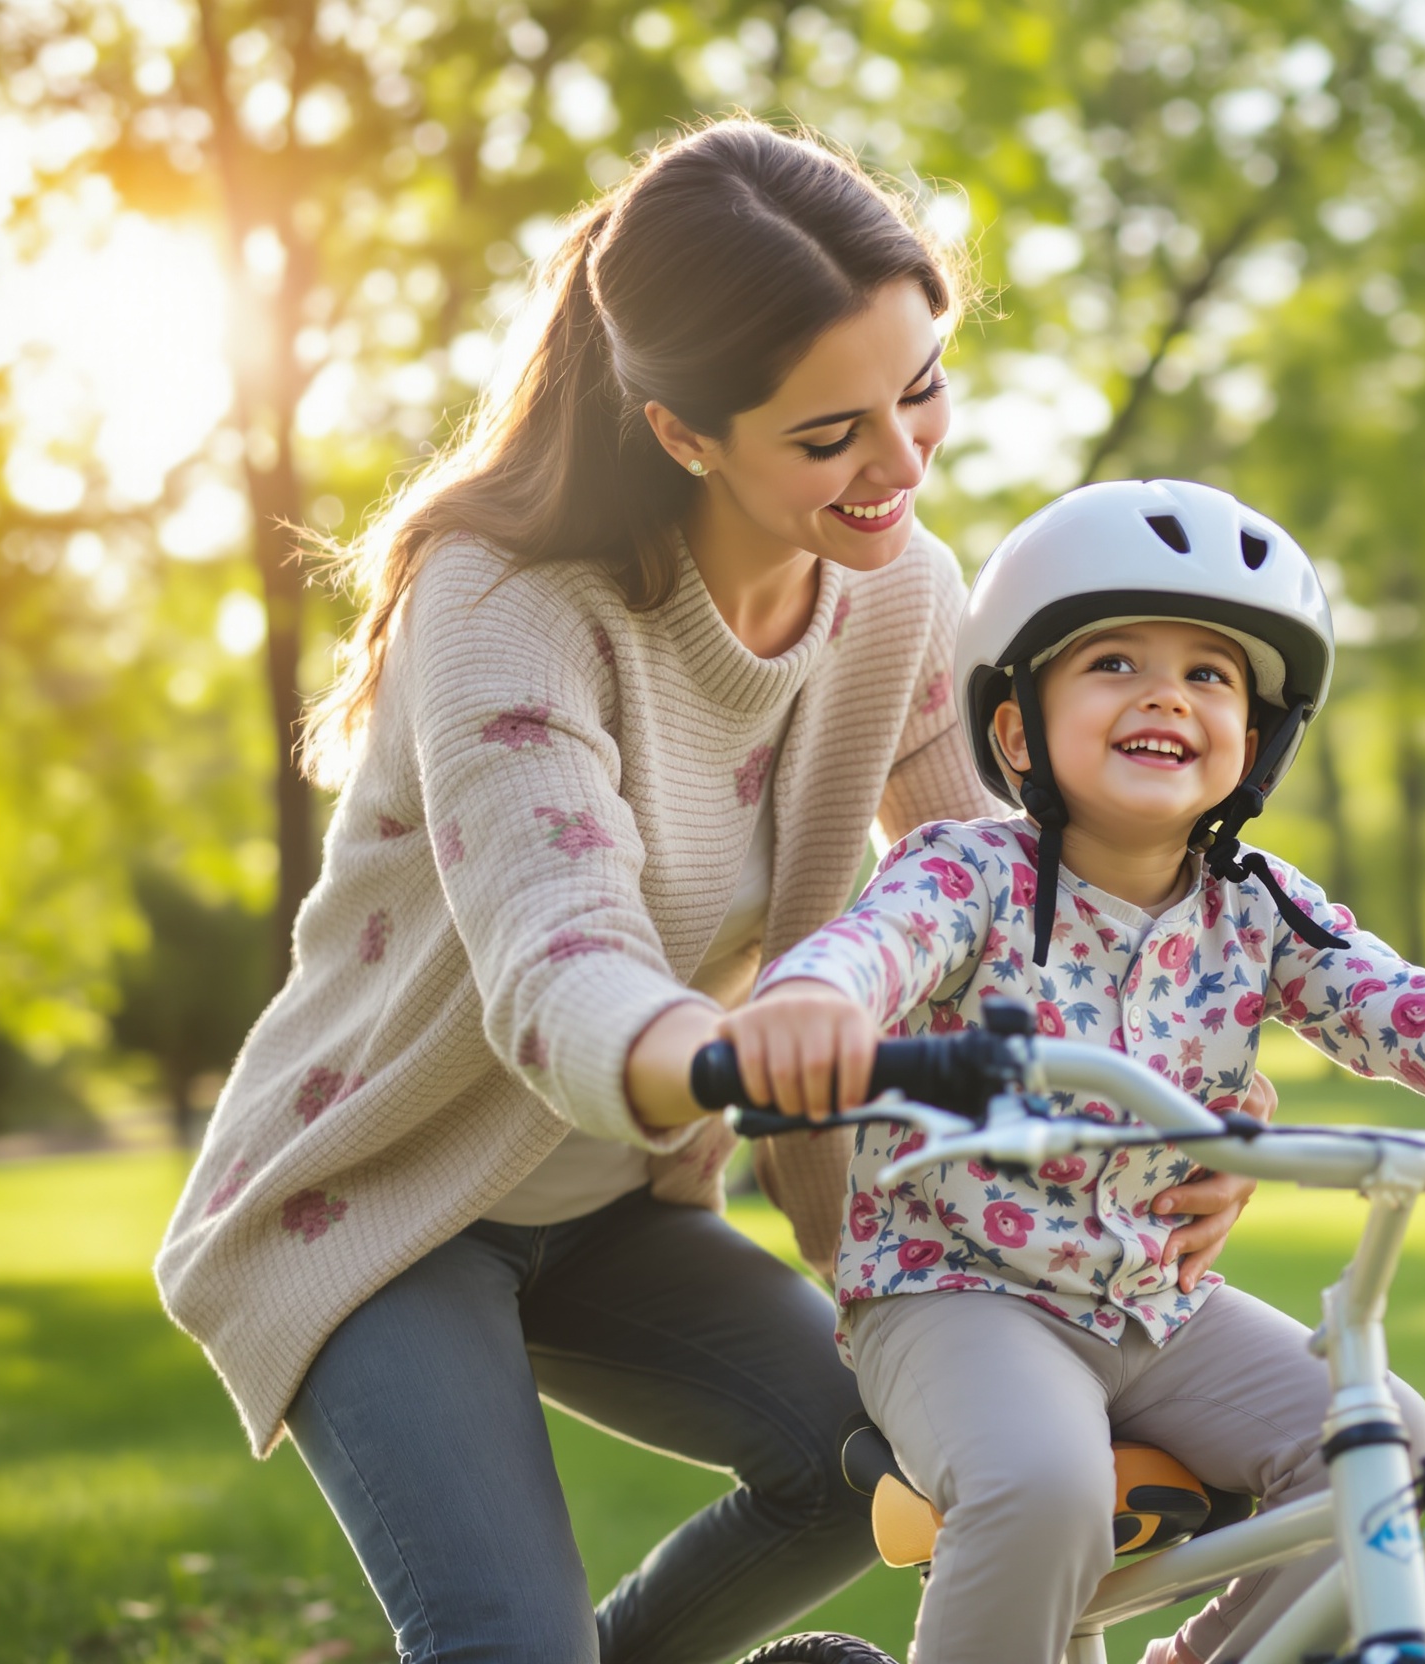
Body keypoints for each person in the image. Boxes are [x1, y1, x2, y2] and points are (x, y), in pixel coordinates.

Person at [152, 124, 1268, 1664]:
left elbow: (1018, 925)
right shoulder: (504, 605)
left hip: (615, 1207)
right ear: (682, 431)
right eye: (830, 436)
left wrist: (1164, 1120)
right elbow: (561, 965)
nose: (902, 463)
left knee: (859, 1461)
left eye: (922, 386)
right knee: (501, 1644)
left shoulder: (901, 597)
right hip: (381, 1202)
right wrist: (738, 1048)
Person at [721, 479, 1425, 1664]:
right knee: (1041, 1487)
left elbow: (1417, 1011)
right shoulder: (965, 873)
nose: (1168, 693)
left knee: (1383, 1448)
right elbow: (871, 949)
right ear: (1020, 728)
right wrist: (816, 1006)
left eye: (1212, 674)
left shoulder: (1261, 907)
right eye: (1115, 661)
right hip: (959, 1291)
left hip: (1156, 1301)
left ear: (1256, 739)